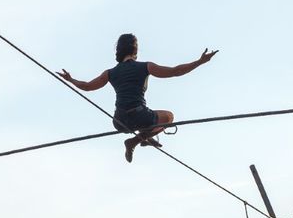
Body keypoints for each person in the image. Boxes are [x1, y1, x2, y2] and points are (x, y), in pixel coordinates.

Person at [58, 33, 217, 162]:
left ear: (119, 51)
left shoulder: (110, 73)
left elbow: (87, 86)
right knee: (168, 116)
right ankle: (135, 141)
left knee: (144, 117)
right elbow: (174, 71)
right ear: (135, 51)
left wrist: (70, 79)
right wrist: (200, 62)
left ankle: (145, 137)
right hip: (140, 115)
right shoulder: (145, 66)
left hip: (119, 121)